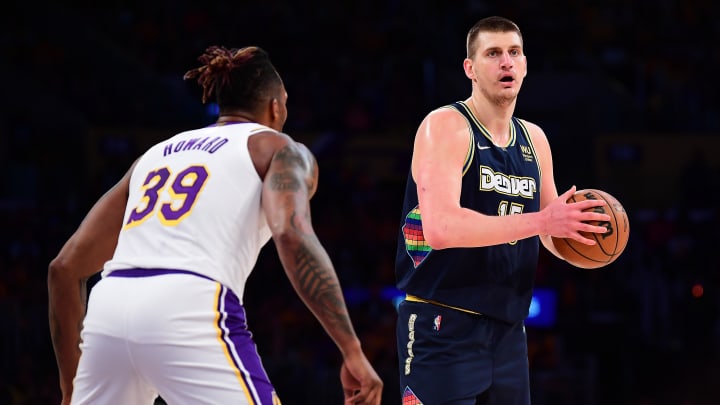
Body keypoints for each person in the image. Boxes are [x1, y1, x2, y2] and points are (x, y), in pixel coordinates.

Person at [48, 45, 382, 405]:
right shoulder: (277, 147)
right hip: (188, 303)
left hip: (109, 307)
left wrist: (72, 389)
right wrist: (351, 347)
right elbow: (290, 232)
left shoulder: (155, 154)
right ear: (275, 106)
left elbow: (64, 268)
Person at [394, 16, 611, 404]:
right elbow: (441, 228)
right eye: (493, 54)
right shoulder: (445, 125)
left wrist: (584, 237)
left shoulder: (534, 138)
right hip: (443, 323)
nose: (506, 62)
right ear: (470, 68)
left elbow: (548, 230)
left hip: (510, 329)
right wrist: (544, 220)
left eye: (513, 53)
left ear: (525, 65)